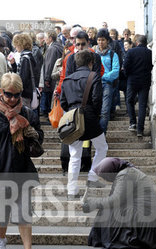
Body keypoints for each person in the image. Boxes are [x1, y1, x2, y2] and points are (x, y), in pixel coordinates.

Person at [0, 72, 44, 249]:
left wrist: (33, 136)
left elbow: (39, 139)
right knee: (1, 211)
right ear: (1, 92)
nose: (12, 99)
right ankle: (1, 238)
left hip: (21, 168)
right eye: (9, 94)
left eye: (17, 95)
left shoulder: (27, 114)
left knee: (23, 211)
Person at [83, 157, 156, 249]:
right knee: (106, 209)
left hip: (144, 217)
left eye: (105, 175)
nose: (105, 179)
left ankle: (114, 240)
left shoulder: (125, 175)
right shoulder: (127, 172)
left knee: (108, 211)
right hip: (145, 215)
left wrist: (93, 203)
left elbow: (115, 200)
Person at [60, 50, 108, 200]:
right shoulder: (94, 76)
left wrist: (71, 111)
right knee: (102, 147)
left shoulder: (67, 80)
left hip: (72, 118)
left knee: (75, 155)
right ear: (91, 63)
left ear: (76, 63)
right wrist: (93, 114)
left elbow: (63, 102)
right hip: (89, 117)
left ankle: (71, 190)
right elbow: (97, 99)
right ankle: (92, 178)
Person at [123, 35, 153, 137]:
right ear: (146, 43)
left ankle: (133, 123)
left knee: (129, 100)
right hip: (145, 81)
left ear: (137, 43)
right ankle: (140, 129)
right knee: (142, 105)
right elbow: (151, 66)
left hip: (132, 80)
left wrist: (128, 75)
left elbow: (125, 66)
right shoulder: (150, 53)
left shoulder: (131, 52)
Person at [95, 28, 120, 133]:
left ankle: (101, 135)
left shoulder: (113, 55)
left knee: (105, 111)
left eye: (103, 40)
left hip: (107, 85)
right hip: (94, 85)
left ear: (107, 41)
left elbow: (115, 71)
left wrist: (103, 77)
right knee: (94, 111)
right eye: (99, 40)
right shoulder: (93, 53)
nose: (101, 42)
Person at [9, 33, 37, 108]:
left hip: (24, 92)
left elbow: (22, 78)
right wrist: (13, 64)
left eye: (16, 44)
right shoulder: (29, 56)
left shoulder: (25, 58)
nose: (15, 47)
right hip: (28, 91)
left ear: (21, 44)